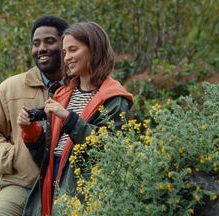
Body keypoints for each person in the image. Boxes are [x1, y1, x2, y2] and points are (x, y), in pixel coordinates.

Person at [17, 22, 134, 215]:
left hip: (84, 189)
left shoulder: (114, 99)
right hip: (51, 184)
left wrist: (69, 119)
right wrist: (30, 130)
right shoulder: (63, 93)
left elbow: (110, 149)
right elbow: (43, 157)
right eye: (64, 52)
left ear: (94, 50)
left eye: (73, 50)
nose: (67, 58)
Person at [0, 16, 68, 216]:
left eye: (50, 41)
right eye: (36, 43)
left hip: (68, 189)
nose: (41, 48)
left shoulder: (81, 85)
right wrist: (13, 158)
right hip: (22, 186)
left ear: (65, 44)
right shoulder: (11, 88)